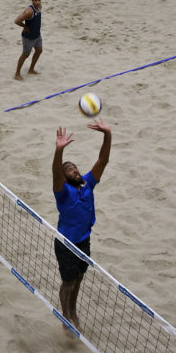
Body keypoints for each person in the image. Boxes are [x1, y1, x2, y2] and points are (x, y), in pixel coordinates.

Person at [51, 118, 112, 329]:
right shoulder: (63, 192)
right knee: (67, 282)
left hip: (84, 240)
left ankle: (73, 310)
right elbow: (56, 173)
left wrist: (107, 134)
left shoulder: (87, 184)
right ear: (65, 177)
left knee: (78, 278)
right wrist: (59, 151)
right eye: (69, 170)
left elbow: (102, 161)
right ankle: (65, 316)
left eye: (75, 168)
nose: (74, 170)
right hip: (66, 244)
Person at [14, 0, 42, 80]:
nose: (37, 2)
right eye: (35, 0)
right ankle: (17, 74)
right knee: (25, 55)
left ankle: (31, 69)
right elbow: (17, 20)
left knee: (39, 50)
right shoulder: (29, 11)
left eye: (39, 0)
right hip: (28, 37)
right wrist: (24, 26)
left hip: (37, 35)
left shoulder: (40, 7)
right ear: (32, 1)